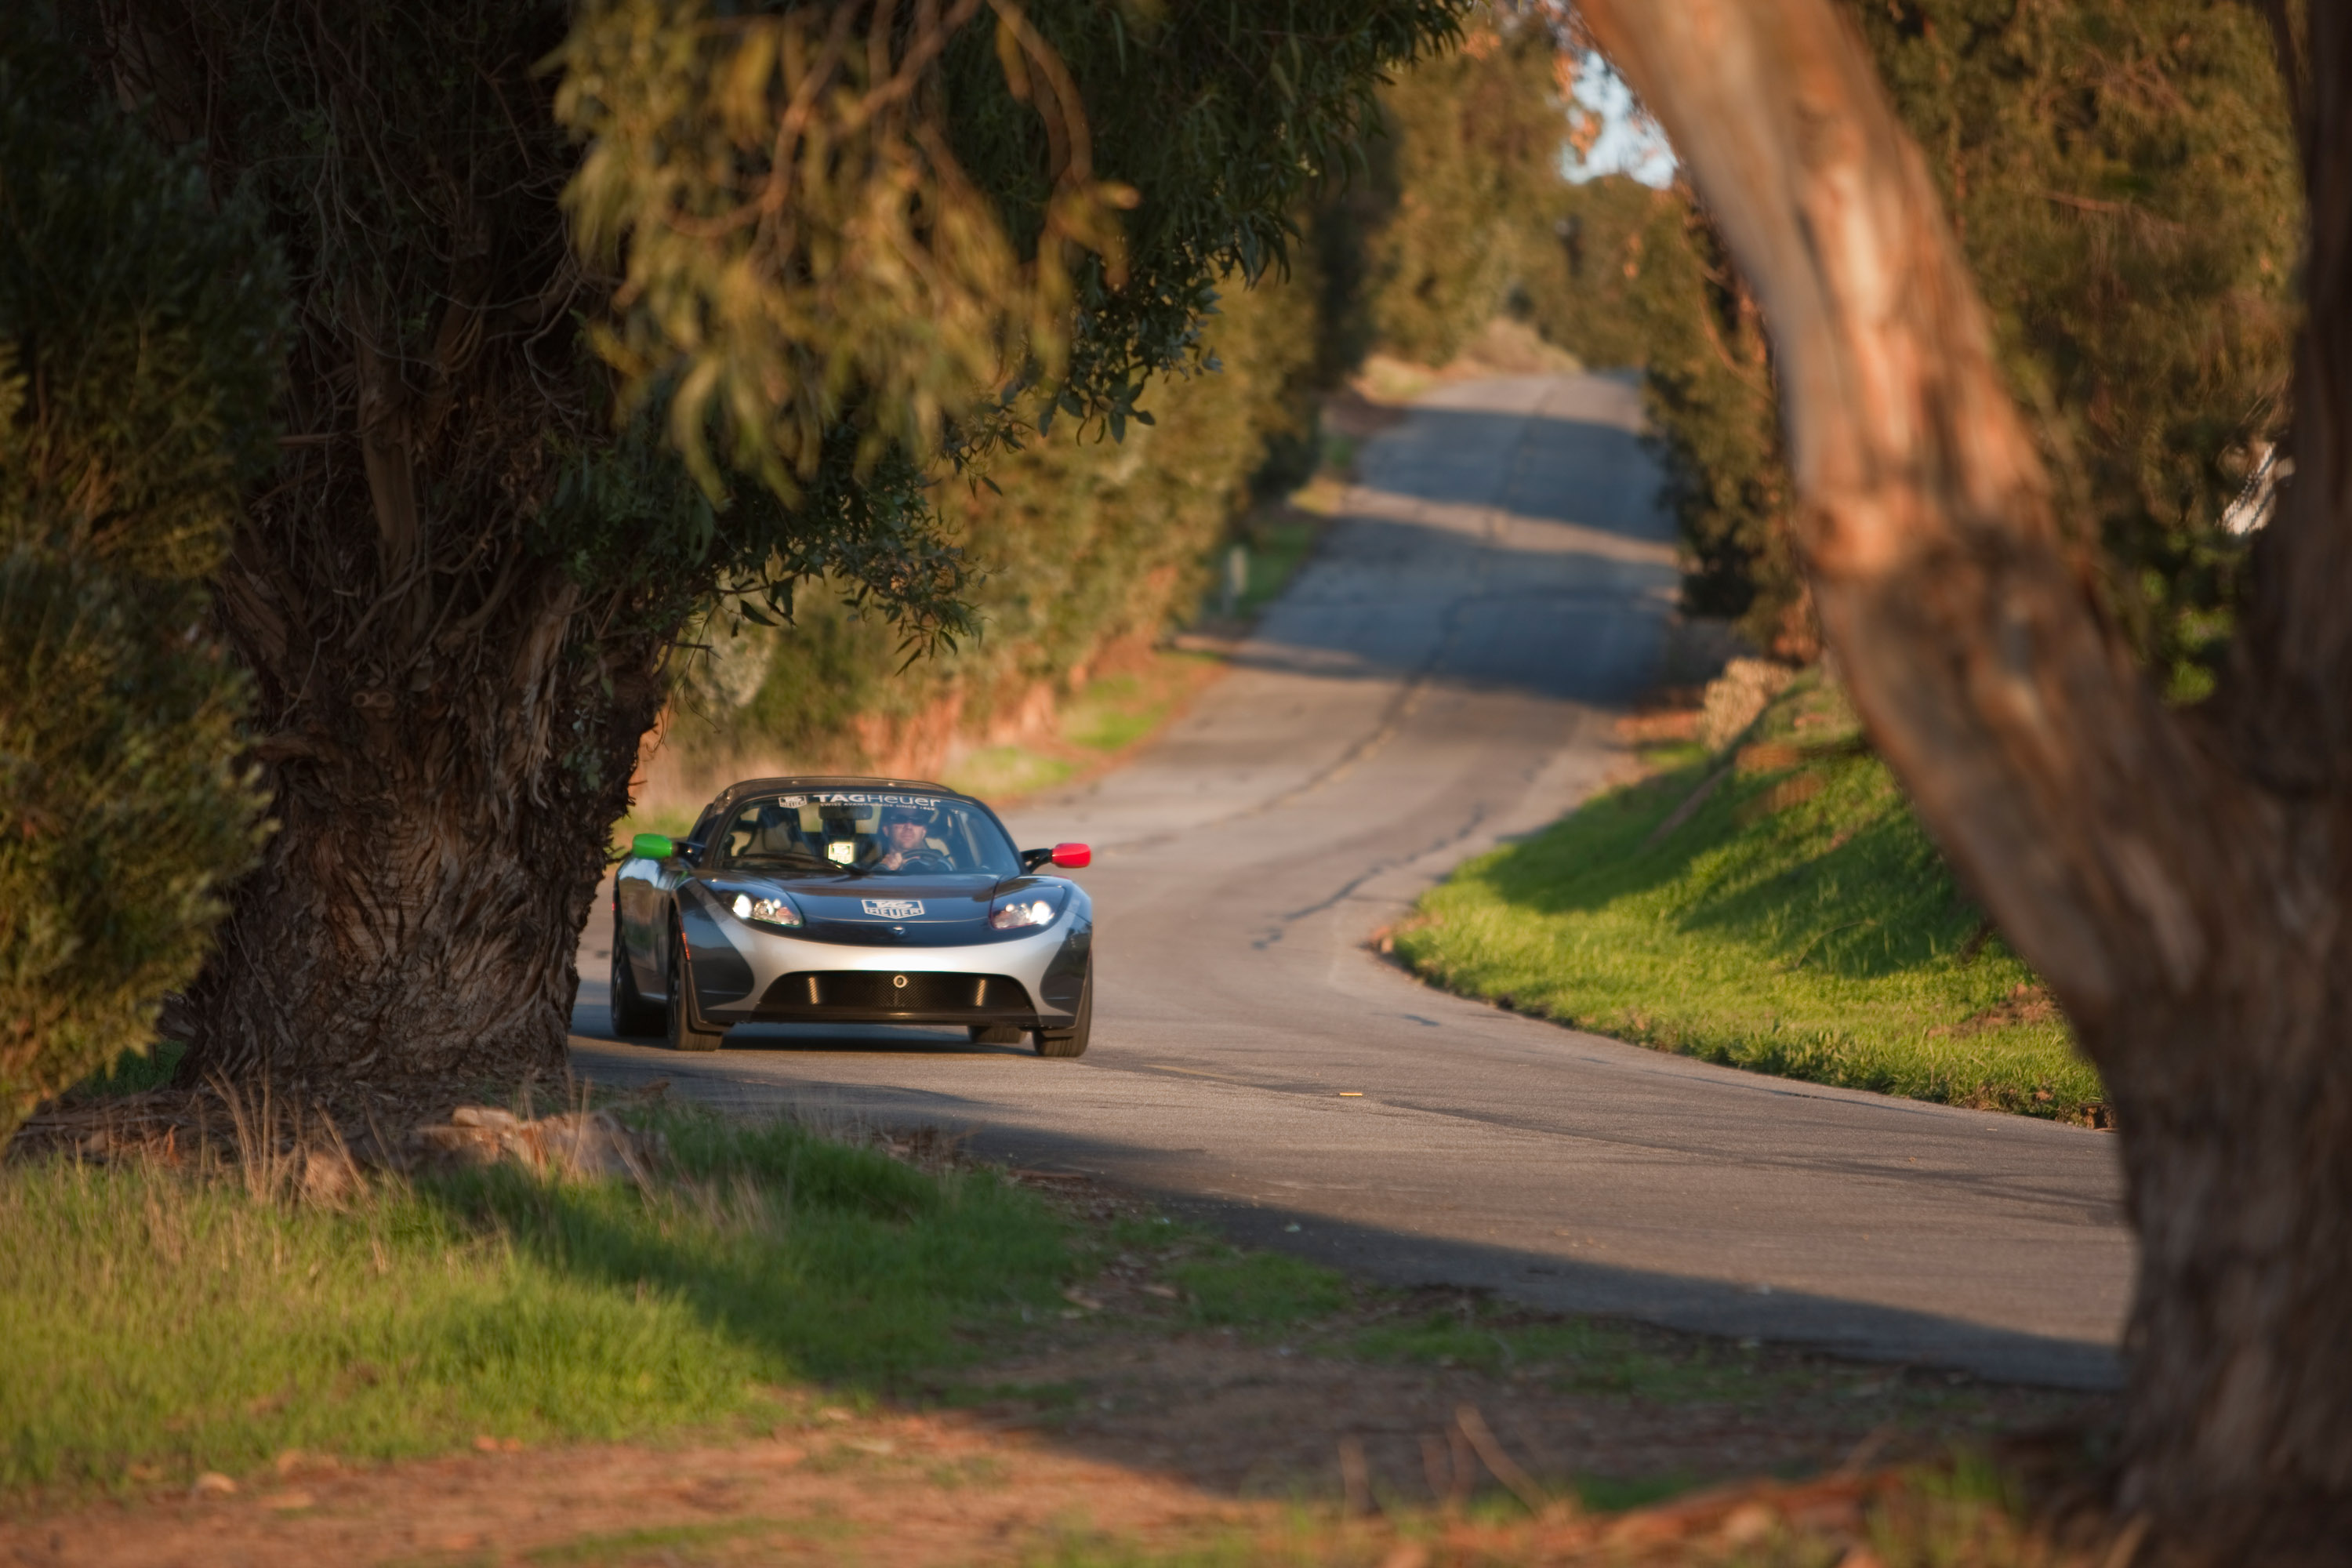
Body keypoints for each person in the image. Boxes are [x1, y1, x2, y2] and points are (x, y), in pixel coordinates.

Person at [870, 803, 950, 872]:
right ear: (886, 829)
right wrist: (884, 871)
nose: (909, 826)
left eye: (917, 820)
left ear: (924, 831)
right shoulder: (871, 872)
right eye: (900, 819)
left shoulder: (940, 867)